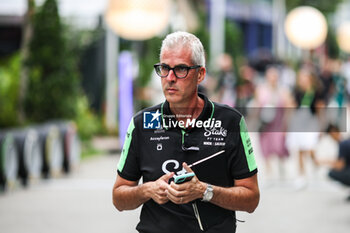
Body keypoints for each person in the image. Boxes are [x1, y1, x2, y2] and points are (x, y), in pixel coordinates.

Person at [112, 31, 259, 233]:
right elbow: (119, 198)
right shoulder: (142, 122)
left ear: (200, 74)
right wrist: (147, 190)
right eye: (164, 68)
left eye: (180, 69)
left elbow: (251, 199)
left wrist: (204, 191)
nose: (170, 78)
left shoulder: (230, 122)